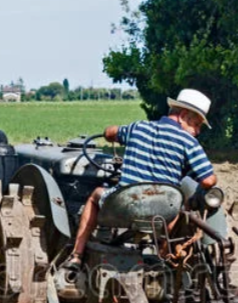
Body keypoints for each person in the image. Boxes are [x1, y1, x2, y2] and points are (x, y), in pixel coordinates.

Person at [63, 88, 218, 270]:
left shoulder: (139, 127)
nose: (197, 131)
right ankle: (162, 256)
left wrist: (108, 133)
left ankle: (76, 255)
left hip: (125, 205)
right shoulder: (189, 143)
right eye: (197, 125)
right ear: (183, 116)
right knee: (178, 203)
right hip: (162, 213)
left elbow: (111, 132)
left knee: (95, 195)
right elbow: (208, 181)